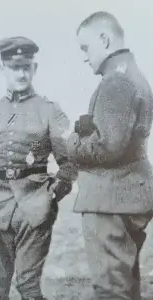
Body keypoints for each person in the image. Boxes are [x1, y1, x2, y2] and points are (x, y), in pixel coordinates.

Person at [0, 36, 77, 300]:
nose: (21, 73)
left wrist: (55, 191)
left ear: (34, 69)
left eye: (26, 67)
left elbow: (70, 161)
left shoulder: (49, 110)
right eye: (14, 67)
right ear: (2, 69)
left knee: (28, 286)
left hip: (34, 207)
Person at [67, 11, 153, 300]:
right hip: (128, 196)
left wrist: (73, 141)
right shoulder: (132, 75)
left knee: (111, 292)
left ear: (104, 39)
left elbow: (107, 147)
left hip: (109, 201)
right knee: (126, 287)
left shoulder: (116, 82)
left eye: (85, 47)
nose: (84, 56)